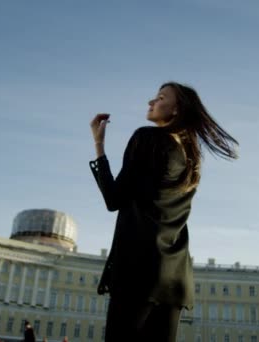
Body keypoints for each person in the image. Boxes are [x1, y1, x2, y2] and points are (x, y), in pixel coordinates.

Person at [89, 81, 239, 341]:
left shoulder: (146, 138)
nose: (151, 102)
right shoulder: (191, 159)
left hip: (138, 268)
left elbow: (114, 199)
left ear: (176, 109)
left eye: (160, 98)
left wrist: (99, 146)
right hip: (175, 277)